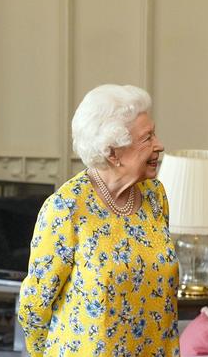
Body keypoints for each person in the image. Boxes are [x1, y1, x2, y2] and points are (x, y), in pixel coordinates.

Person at [17, 84, 179, 356]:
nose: (159, 145)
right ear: (112, 152)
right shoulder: (67, 207)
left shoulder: (155, 196)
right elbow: (35, 304)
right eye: (147, 137)